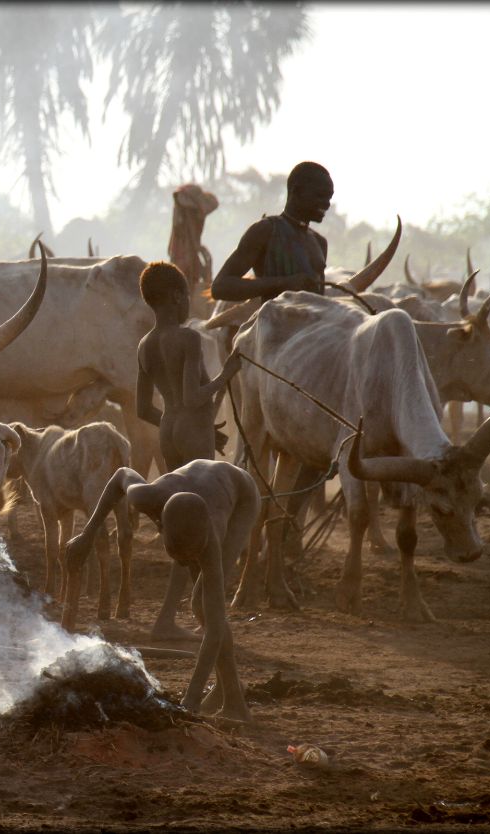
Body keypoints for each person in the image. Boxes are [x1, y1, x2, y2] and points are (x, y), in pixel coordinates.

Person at [62, 460, 257, 722]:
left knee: (203, 605)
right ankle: (229, 691)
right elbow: (120, 475)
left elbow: (213, 628)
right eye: (180, 556)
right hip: (202, 486)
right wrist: (87, 534)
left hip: (242, 494)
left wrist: (191, 699)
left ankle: (234, 701)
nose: (187, 564)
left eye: (193, 555)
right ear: (161, 528)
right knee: (204, 606)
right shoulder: (144, 495)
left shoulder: (213, 535)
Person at [132, 261, 241, 639]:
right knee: (199, 524)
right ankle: (181, 617)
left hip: (169, 430)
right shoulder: (189, 338)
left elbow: (142, 409)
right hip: (191, 429)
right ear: (178, 297)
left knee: (181, 521)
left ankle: (194, 614)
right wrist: (226, 375)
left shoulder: (145, 345)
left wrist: (185, 422)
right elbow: (195, 395)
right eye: (188, 298)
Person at [210, 161, 333, 302]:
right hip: (274, 322)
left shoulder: (320, 242)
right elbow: (220, 287)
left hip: (315, 324)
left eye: (329, 198)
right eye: (320, 196)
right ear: (297, 191)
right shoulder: (266, 230)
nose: (327, 204)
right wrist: (284, 283)